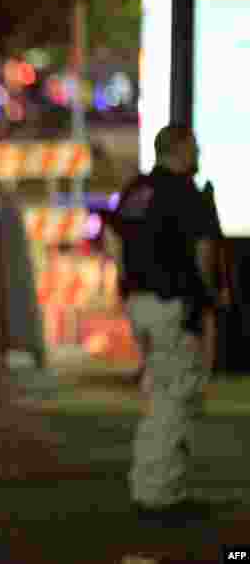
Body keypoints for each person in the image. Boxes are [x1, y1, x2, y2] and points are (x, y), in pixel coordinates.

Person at [105, 123, 223, 523]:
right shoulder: (187, 193)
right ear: (180, 149)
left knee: (160, 392)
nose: (200, 154)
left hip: (140, 302)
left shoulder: (136, 189)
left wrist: (126, 282)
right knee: (176, 397)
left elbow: (114, 240)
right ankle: (161, 494)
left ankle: (151, 486)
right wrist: (209, 298)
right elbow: (204, 252)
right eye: (195, 147)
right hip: (174, 302)